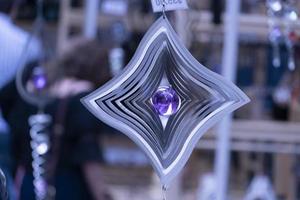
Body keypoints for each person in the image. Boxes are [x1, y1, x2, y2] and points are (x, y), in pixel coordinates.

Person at [0, 39, 114, 200]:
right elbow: (88, 156)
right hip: (67, 184)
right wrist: (102, 194)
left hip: (27, 180)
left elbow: (5, 100)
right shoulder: (83, 99)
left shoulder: (36, 88)